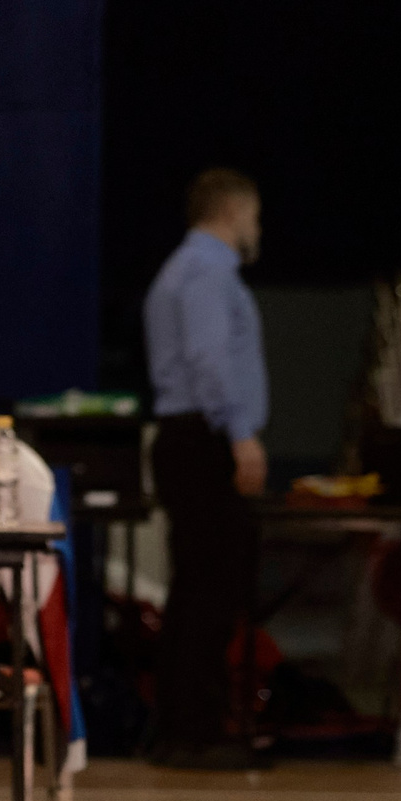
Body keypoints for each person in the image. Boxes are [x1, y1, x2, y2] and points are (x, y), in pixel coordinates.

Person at [142, 167, 271, 770]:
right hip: (204, 439)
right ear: (233, 211)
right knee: (209, 591)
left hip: (193, 437)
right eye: (254, 215)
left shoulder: (187, 269)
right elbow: (208, 358)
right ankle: (192, 731)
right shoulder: (204, 272)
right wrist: (242, 436)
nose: (256, 228)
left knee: (199, 588)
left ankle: (186, 726)